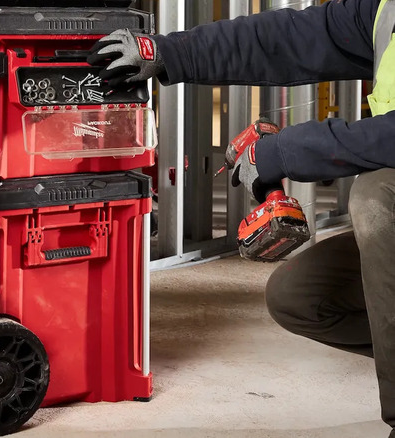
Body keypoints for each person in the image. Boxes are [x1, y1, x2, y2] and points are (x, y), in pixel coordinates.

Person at [89, 0, 395, 434]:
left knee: (378, 196)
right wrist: (167, 53)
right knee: (303, 298)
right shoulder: (386, 10)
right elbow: (287, 37)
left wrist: (284, 152)